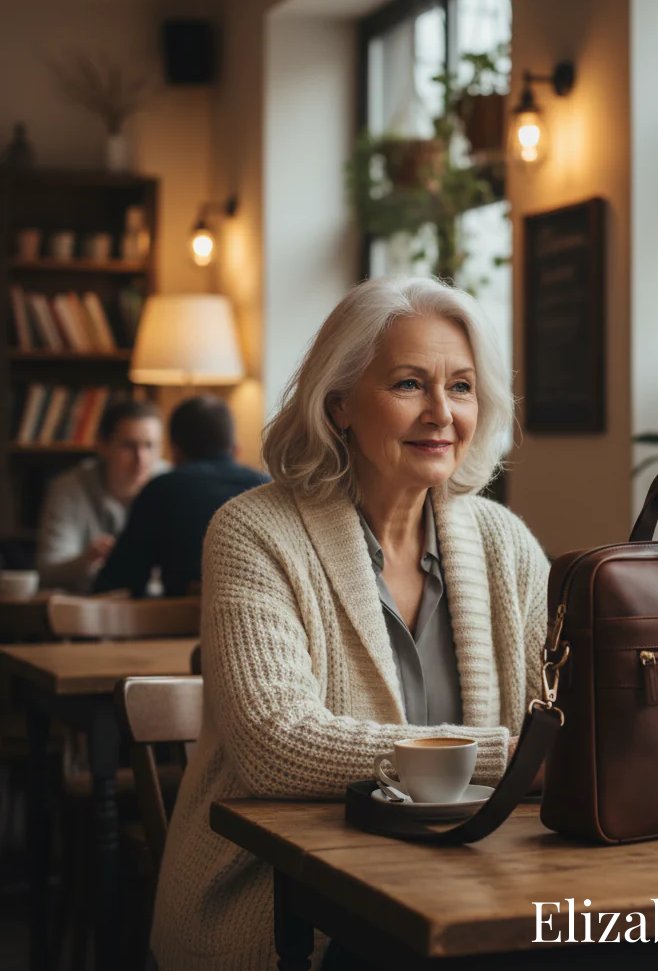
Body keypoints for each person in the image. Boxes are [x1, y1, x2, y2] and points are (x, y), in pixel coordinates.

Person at [149, 277, 549, 971]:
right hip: (285, 903)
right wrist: (501, 759)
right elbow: (276, 745)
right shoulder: (253, 531)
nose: (441, 413)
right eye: (408, 385)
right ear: (339, 406)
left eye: (460, 387)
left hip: (471, 886)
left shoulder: (504, 543)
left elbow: (565, 720)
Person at [94, 395, 268, 598]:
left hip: (184, 625)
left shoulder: (160, 490)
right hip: (268, 622)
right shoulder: (266, 487)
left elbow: (118, 583)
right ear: (235, 449)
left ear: (175, 452)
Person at [36, 398, 165, 593]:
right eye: (129, 446)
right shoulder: (69, 489)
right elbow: (48, 570)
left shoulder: (170, 484)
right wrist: (86, 560)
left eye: (149, 446)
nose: (141, 459)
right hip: (87, 607)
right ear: (103, 446)